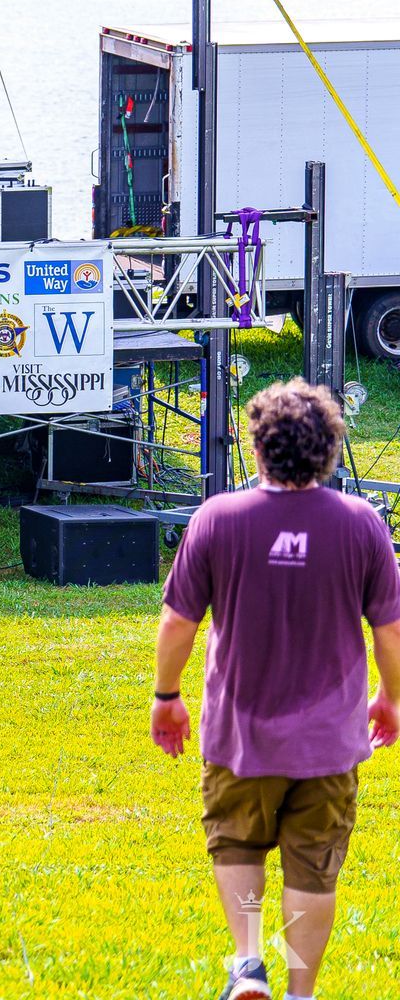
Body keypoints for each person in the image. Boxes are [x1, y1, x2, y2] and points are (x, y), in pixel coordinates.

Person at [152, 380, 400, 1000]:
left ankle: (246, 963)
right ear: (330, 451)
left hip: (240, 734)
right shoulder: (362, 524)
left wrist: (167, 696)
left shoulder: (218, 518)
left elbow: (179, 623)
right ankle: (300, 992)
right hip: (328, 741)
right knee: (313, 865)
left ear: (258, 446)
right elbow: (391, 631)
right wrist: (391, 698)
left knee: (235, 839)